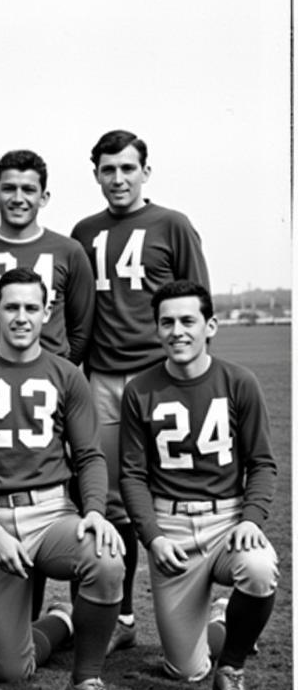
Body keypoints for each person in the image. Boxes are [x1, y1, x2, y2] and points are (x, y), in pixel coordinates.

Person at [0, 268, 126, 690]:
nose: (21, 317)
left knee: (105, 561)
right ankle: (63, 620)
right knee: (8, 669)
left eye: (31, 308)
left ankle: (86, 679)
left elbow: (88, 455)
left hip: (51, 514)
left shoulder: (67, 374)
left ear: (47, 313)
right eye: (11, 307)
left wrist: (95, 511)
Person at [71, 130, 209, 655]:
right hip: (104, 378)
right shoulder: (84, 230)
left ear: (145, 172)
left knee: (188, 486)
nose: (119, 179)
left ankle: (209, 602)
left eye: (128, 168)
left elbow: (198, 303)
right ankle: (124, 612)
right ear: (97, 175)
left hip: (162, 377)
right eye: (108, 170)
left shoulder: (171, 224)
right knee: (112, 503)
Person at [120, 281, 277, 690]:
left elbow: (262, 464)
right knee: (184, 669)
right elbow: (132, 475)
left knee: (260, 569)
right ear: (156, 329)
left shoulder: (239, 382)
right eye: (166, 322)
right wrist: (152, 537)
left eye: (188, 320)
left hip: (228, 523)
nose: (177, 331)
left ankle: (232, 668)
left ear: (210, 325)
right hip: (171, 530)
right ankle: (222, 621)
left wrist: (251, 520)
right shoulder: (140, 389)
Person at [0, 149, 93, 364]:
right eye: (9, 189)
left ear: (44, 197)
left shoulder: (70, 251)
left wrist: (63, 368)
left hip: (52, 372)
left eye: (28, 190)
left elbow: (81, 327)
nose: (18, 199)